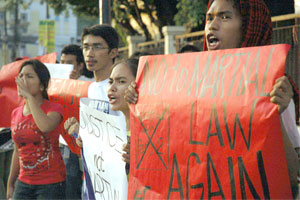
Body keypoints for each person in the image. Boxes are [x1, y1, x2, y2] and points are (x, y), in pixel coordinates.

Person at [125, 0, 300, 197]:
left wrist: (275, 115)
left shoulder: (273, 87)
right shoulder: (185, 83)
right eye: (209, 18)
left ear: (249, 27)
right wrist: (142, 101)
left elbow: (291, 177)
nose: (212, 25)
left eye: (225, 17)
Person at [64, 24, 126, 198]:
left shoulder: (121, 88)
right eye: (86, 47)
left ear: (113, 52)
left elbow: (121, 134)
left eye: (97, 47)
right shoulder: (90, 89)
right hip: (92, 178)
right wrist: (78, 133)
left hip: (117, 180)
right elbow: (89, 142)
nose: (89, 53)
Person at [7, 59, 66, 199]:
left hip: (51, 183)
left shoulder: (53, 109)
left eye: (30, 76)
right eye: (21, 76)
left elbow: (45, 126)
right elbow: (18, 150)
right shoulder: (16, 113)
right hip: (24, 182)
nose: (23, 80)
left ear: (42, 86)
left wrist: (28, 97)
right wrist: (11, 183)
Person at [59, 44, 89, 199]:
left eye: (69, 63)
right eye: (62, 62)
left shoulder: (88, 85)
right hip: (65, 143)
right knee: (69, 184)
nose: (64, 66)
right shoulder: (56, 86)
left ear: (80, 66)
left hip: (84, 141)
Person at [107, 58, 139, 166]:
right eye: (110, 82)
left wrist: (140, 160)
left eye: (121, 81)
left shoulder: (149, 135)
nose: (112, 88)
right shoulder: (112, 132)